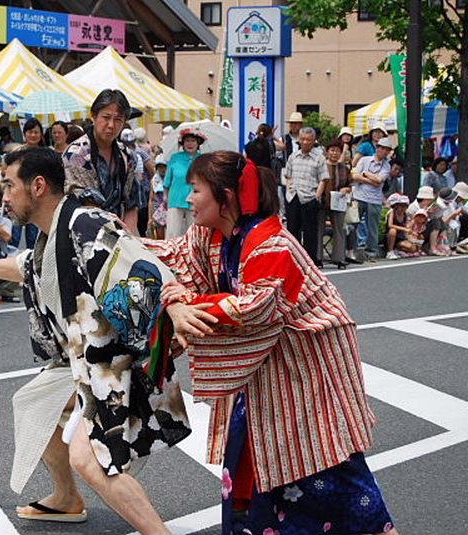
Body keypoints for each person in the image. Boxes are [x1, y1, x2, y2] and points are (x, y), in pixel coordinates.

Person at [0, 147, 194, 534]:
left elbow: (146, 271)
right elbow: (27, 266)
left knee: (90, 458)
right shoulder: (54, 231)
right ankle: (66, 498)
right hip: (77, 363)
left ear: (38, 186)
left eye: (10, 185)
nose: (4, 196)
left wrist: (176, 311)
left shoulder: (86, 223)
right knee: (35, 406)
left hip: (111, 365)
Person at [146, 151, 399, 535]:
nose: (188, 197)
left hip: (305, 371)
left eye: (196, 190)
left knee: (327, 461)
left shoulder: (271, 244)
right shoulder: (214, 234)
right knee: (258, 462)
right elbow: (174, 258)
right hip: (266, 373)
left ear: (225, 196)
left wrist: (185, 304)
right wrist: (120, 243)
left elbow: (253, 308)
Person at [63, 89, 139, 231]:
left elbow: (130, 204)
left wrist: (130, 240)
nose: (111, 125)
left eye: (118, 119)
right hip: (82, 234)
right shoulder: (76, 154)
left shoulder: (127, 156)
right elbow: (89, 208)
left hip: (119, 236)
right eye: (106, 117)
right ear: (94, 116)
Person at [283, 126, 329, 264]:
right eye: (302, 139)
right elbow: (287, 174)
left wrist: (317, 196)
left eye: (309, 140)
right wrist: (289, 186)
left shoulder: (319, 158)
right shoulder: (293, 156)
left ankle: (310, 260)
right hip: (293, 196)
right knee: (292, 229)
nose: (305, 142)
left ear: (314, 140)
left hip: (309, 197)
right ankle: (293, 259)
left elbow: (324, 179)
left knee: (310, 231)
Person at [352, 137, 393, 261]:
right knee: (354, 223)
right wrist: (369, 178)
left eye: (386, 149)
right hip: (359, 196)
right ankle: (352, 248)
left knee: (373, 227)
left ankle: (371, 251)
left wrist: (364, 174)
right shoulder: (364, 160)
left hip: (375, 199)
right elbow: (354, 175)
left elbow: (380, 180)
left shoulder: (386, 166)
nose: (383, 151)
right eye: (381, 148)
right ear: (377, 148)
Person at [164, 127, 205, 238]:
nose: (190, 144)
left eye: (193, 141)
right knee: (173, 232)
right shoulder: (175, 158)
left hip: (195, 201)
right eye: (187, 141)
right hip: (175, 199)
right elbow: (167, 180)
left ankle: (193, 254)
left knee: (194, 233)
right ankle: (171, 255)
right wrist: (165, 196)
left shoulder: (203, 159)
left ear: (198, 143)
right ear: (182, 143)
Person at [12, 118, 45, 248]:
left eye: (36, 132)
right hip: (18, 195)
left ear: (41, 134)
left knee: (33, 236)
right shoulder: (17, 152)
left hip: (36, 197)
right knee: (14, 234)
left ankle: (32, 265)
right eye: (30, 132)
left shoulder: (44, 153)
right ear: (25, 133)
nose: (33, 135)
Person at [318, 141, 352, 268]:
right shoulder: (321, 166)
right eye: (332, 150)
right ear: (327, 152)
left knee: (339, 229)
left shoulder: (344, 168)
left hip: (338, 202)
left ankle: (339, 258)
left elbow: (350, 184)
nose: (334, 153)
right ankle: (318, 258)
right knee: (319, 229)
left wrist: (346, 189)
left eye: (337, 150)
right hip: (322, 201)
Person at [385, 193, 412, 259]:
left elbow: (407, 227)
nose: (403, 208)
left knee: (411, 247)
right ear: (397, 205)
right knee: (393, 231)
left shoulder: (405, 215)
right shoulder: (392, 212)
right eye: (401, 206)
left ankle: (397, 250)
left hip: (400, 237)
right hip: (390, 236)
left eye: (405, 206)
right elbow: (390, 225)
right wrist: (404, 229)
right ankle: (390, 251)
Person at [148, 155, 168, 239]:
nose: (162, 169)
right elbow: (151, 200)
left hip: (169, 209)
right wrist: (150, 217)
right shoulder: (154, 180)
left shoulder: (172, 179)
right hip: (158, 212)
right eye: (160, 167)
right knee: (160, 238)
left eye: (164, 166)